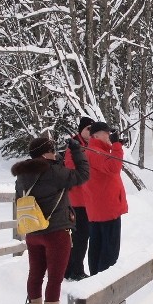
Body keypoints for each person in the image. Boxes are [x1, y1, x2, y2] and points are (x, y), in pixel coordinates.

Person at [12, 136, 89, 304]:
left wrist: (60, 160)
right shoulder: (53, 171)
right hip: (55, 232)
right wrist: (77, 151)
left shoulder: (22, 175)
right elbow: (82, 174)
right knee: (55, 278)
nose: (55, 153)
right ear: (46, 152)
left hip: (33, 230)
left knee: (35, 274)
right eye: (53, 151)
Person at [85, 121, 128, 275]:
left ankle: (96, 279)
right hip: (107, 209)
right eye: (106, 132)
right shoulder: (95, 151)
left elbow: (110, 164)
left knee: (98, 246)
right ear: (96, 135)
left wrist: (117, 146)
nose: (109, 134)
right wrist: (116, 146)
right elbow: (113, 167)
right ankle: (103, 284)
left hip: (101, 208)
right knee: (109, 250)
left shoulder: (96, 151)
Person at [62, 116, 96, 281]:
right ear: (81, 130)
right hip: (77, 200)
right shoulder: (74, 146)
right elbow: (71, 169)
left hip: (87, 199)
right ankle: (75, 270)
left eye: (92, 129)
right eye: (88, 129)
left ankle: (71, 269)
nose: (90, 132)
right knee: (80, 236)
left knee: (82, 236)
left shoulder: (88, 145)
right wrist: (83, 153)